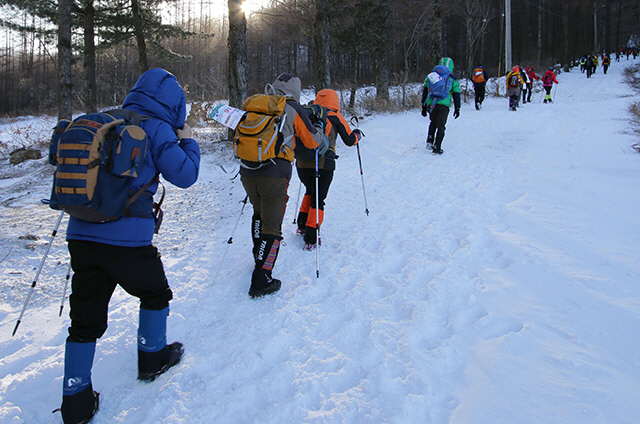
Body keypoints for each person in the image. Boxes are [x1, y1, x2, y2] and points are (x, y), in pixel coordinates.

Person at [59, 68, 200, 424]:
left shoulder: (109, 119)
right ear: (175, 103)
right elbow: (185, 175)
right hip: (128, 240)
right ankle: (152, 359)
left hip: (81, 235)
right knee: (155, 293)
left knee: (84, 318)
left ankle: (75, 398)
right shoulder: (158, 128)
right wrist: (189, 140)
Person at [241, 73, 326, 297]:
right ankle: (262, 279)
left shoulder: (260, 104)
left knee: (258, 214)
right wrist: (318, 126)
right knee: (272, 228)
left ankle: (258, 256)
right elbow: (312, 141)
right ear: (296, 90)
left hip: (247, 171)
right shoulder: (293, 108)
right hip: (274, 174)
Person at [295, 89, 362, 249]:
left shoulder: (307, 113)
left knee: (310, 191)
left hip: (302, 163)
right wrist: (358, 135)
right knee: (318, 198)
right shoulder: (335, 116)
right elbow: (350, 140)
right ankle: (311, 237)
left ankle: (301, 225)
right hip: (324, 164)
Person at [421, 57, 461, 154]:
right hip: (444, 105)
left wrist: (423, 105)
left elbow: (425, 90)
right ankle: (437, 147)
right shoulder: (452, 78)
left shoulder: (431, 76)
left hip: (432, 104)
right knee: (441, 125)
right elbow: (456, 94)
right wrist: (457, 108)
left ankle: (430, 140)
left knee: (433, 122)